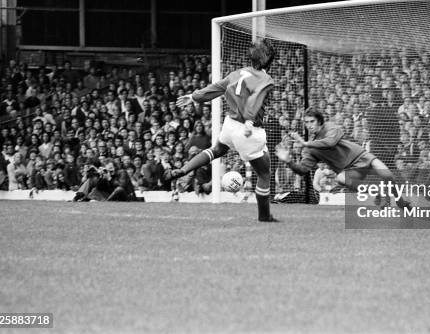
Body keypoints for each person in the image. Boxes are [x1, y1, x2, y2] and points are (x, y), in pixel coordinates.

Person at [174, 38, 278, 222]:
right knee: (264, 173)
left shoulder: (236, 73)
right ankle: (265, 216)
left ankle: (184, 169)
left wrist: (193, 96)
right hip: (249, 131)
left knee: (217, 150)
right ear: (269, 60)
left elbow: (215, 88)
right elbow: (255, 100)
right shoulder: (266, 79)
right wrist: (248, 121)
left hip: (230, 125)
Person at [276, 107, 411, 208]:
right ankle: (377, 193)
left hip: (361, 156)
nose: (309, 125)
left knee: (388, 176)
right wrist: (289, 161)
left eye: (312, 121)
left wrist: (305, 142)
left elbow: (331, 142)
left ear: (319, 121)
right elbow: (303, 170)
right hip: (349, 168)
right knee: (340, 178)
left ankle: (401, 202)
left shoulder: (330, 127)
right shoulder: (310, 150)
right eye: (306, 122)